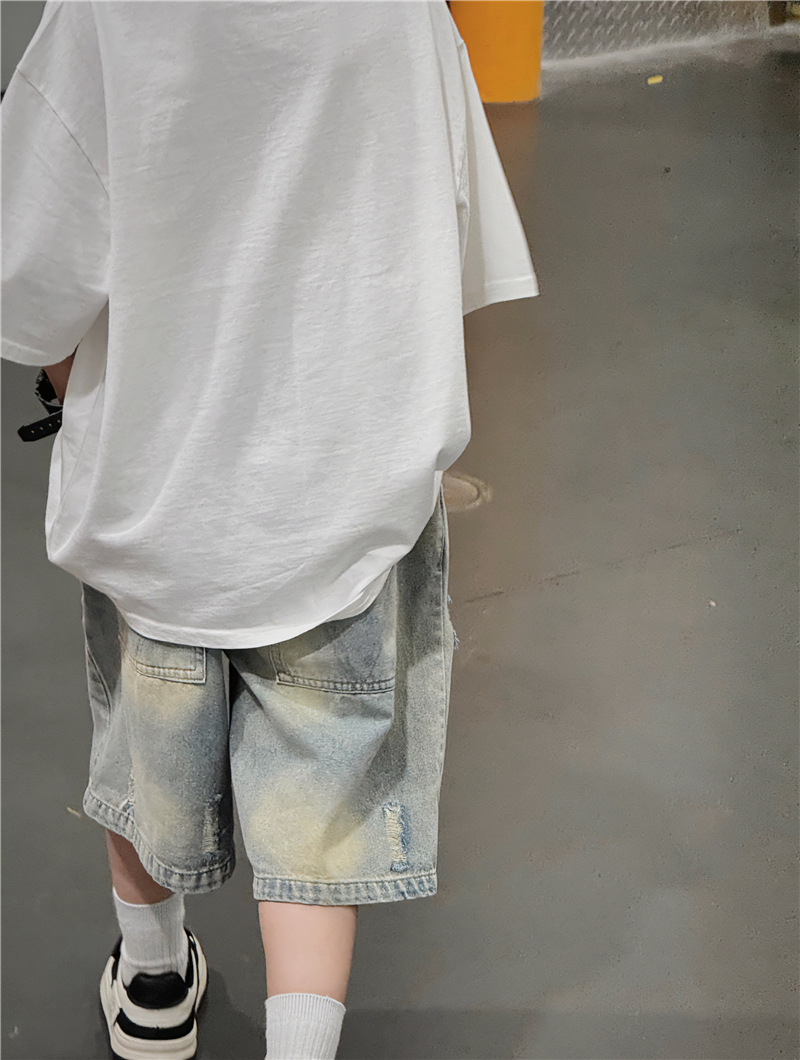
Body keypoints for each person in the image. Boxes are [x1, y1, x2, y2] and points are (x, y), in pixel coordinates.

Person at [1, 2, 538, 1058]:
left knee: (143, 761)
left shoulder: (105, 15)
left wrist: (73, 392)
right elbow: (449, 239)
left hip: (159, 502)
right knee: (318, 824)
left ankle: (153, 983)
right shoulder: (402, 14)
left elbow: (32, 268)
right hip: (340, 504)